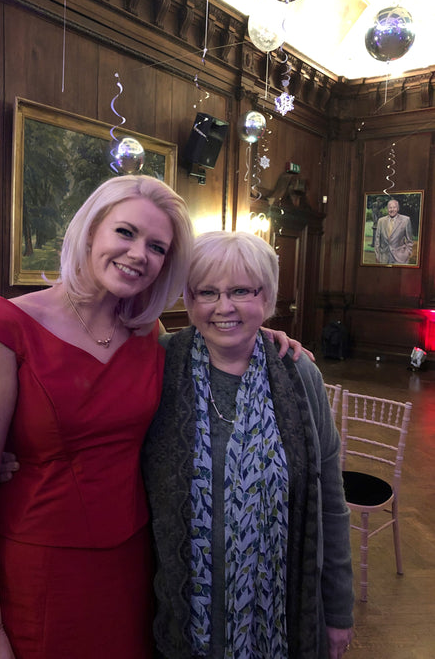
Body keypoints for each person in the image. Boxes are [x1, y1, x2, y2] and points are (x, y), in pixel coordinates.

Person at [0, 174, 302, 659]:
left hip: (137, 562)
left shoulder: (148, 333)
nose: (140, 253)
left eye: (157, 246)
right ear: (91, 230)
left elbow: (221, 342)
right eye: (126, 233)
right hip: (41, 565)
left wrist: (267, 339)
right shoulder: (7, 328)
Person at [142, 231, 354, 659]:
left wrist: (339, 611)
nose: (224, 307)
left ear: (268, 297)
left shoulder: (299, 375)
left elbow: (330, 501)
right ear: (189, 297)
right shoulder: (160, 364)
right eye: (207, 292)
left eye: (241, 290)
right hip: (181, 618)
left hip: (285, 618)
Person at [374, 198, 413, 264]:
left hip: (400, 259)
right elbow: (377, 240)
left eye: (394, 207)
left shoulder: (405, 220)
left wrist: (407, 253)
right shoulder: (381, 221)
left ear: (398, 209)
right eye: (390, 208)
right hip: (384, 258)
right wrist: (377, 255)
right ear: (387, 209)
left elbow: (410, 240)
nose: (392, 210)